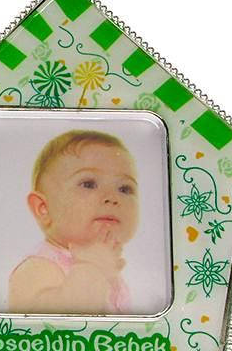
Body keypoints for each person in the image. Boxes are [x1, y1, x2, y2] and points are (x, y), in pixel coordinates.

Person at [8, 130, 137, 314]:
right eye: (89, 184)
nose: (112, 197)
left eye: (125, 188)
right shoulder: (38, 268)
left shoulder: (109, 267)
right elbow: (51, 326)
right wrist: (92, 269)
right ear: (44, 208)